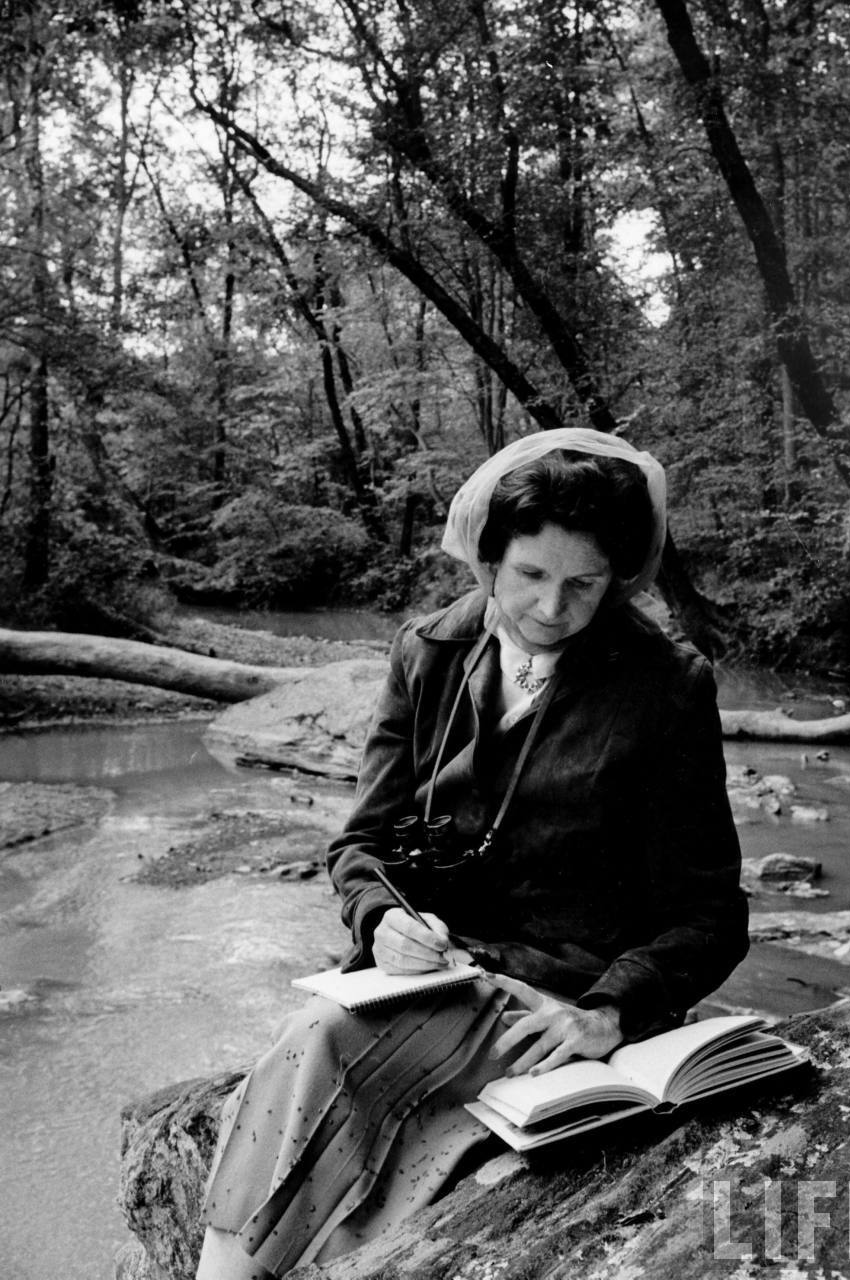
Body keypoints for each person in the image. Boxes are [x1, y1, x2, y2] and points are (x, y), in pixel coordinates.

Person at [195, 428, 749, 1280]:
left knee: (322, 1038)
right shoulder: (428, 651)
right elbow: (362, 844)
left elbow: (710, 914)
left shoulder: (666, 685)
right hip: (437, 971)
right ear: (486, 561)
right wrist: (381, 923)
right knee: (331, 1060)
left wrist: (608, 1011)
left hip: (565, 992)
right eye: (530, 576)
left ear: (621, 581)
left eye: (584, 585)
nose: (553, 609)